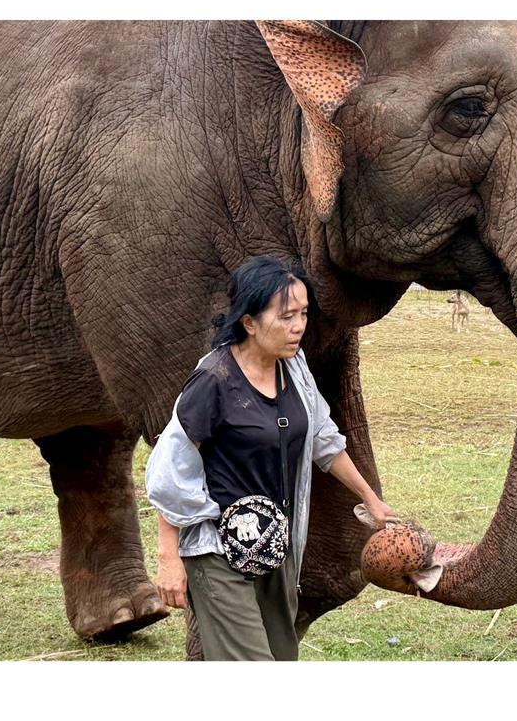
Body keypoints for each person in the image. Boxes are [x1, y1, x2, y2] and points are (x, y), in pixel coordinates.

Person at [144, 254, 397, 661]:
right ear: (249, 322)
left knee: (282, 657)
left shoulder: (293, 367)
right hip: (219, 551)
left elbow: (323, 439)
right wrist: (168, 558)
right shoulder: (213, 381)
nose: (298, 326)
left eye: (303, 313)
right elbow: (168, 473)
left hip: (275, 547)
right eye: (285, 317)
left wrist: (372, 501)